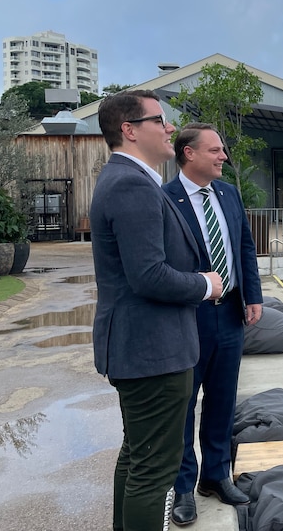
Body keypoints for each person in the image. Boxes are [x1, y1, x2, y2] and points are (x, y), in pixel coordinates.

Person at [91, 91, 223, 531]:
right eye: (159, 120)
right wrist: (206, 284)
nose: (170, 127)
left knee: (137, 456)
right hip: (152, 352)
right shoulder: (130, 183)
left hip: (145, 349)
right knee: (154, 470)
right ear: (129, 130)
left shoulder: (132, 179)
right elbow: (148, 276)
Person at [162, 123, 264, 526]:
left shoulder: (229, 193)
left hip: (230, 314)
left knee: (222, 401)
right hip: (188, 317)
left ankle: (216, 476)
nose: (223, 156)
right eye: (216, 150)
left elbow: (244, 246)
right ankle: (184, 487)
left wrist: (252, 295)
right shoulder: (165, 200)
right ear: (189, 154)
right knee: (184, 404)